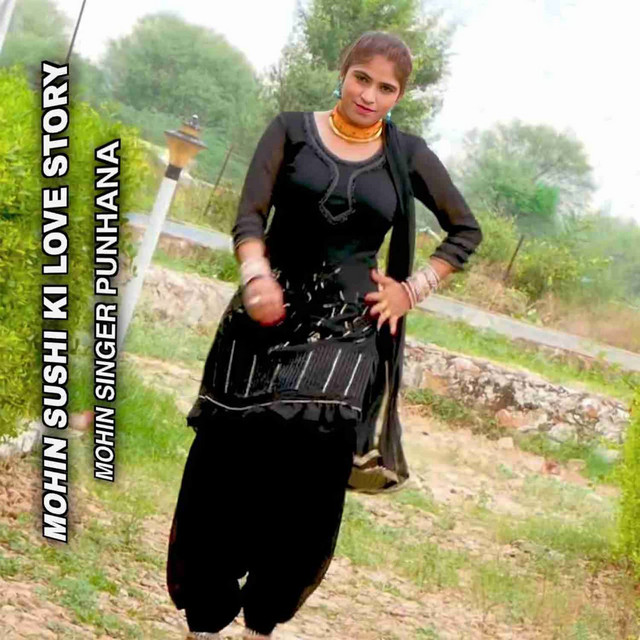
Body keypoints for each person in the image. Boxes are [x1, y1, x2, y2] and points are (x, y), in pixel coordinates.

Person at [166, 31, 482, 640]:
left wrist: (410, 289)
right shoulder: (290, 130)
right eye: (362, 78)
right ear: (344, 71)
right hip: (263, 317)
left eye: (385, 88)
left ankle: (263, 620)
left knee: (309, 482)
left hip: (346, 332)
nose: (369, 95)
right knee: (223, 467)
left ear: (398, 96)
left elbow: (465, 231)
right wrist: (255, 275)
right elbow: (250, 215)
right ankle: (204, 619)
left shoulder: (407, 154)